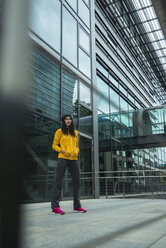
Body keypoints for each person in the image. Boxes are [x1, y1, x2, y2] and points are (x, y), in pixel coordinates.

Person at [51, 114, 87, 215]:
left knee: (77, 182)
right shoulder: (59, 131)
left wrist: (76, 151)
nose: (68, 121)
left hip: (73, 159)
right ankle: (55, 206)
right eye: (66, 119)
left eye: (70, 119)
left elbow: (76, 145)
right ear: (63, 121)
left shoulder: (75, 133)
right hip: (63, 158)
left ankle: (77, 206)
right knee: (58, 181)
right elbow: (54, 145)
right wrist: (62, 150)